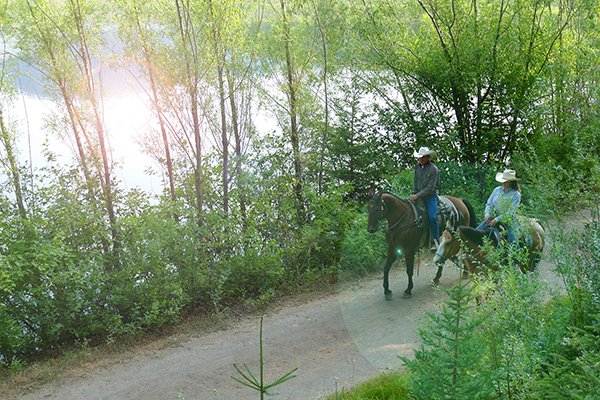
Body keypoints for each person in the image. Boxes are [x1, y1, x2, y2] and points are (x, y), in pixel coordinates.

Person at [477, 169, 522, 245]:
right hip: (493, 216)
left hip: (509, 220)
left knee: (513, 242)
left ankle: (515, 256)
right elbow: (489, 204)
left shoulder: (516, 194)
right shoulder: (496, 190)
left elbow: (511, 212)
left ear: (511, 182)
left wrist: (497, 220)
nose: (503, 182)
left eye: (506, 181)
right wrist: (487, 214)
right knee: (476, 232)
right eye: (503, 180)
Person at [409, 146, 440, 251]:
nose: (420, 159)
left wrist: (417, 195)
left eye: (422, 157)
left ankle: (436, 240)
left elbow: (430, 188)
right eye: (419, 157)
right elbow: (415, 182)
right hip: (418, 195)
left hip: (430, 197)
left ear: (428, 157)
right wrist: (414, 194)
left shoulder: (434, 169)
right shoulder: (417, 167)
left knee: (432, 217)